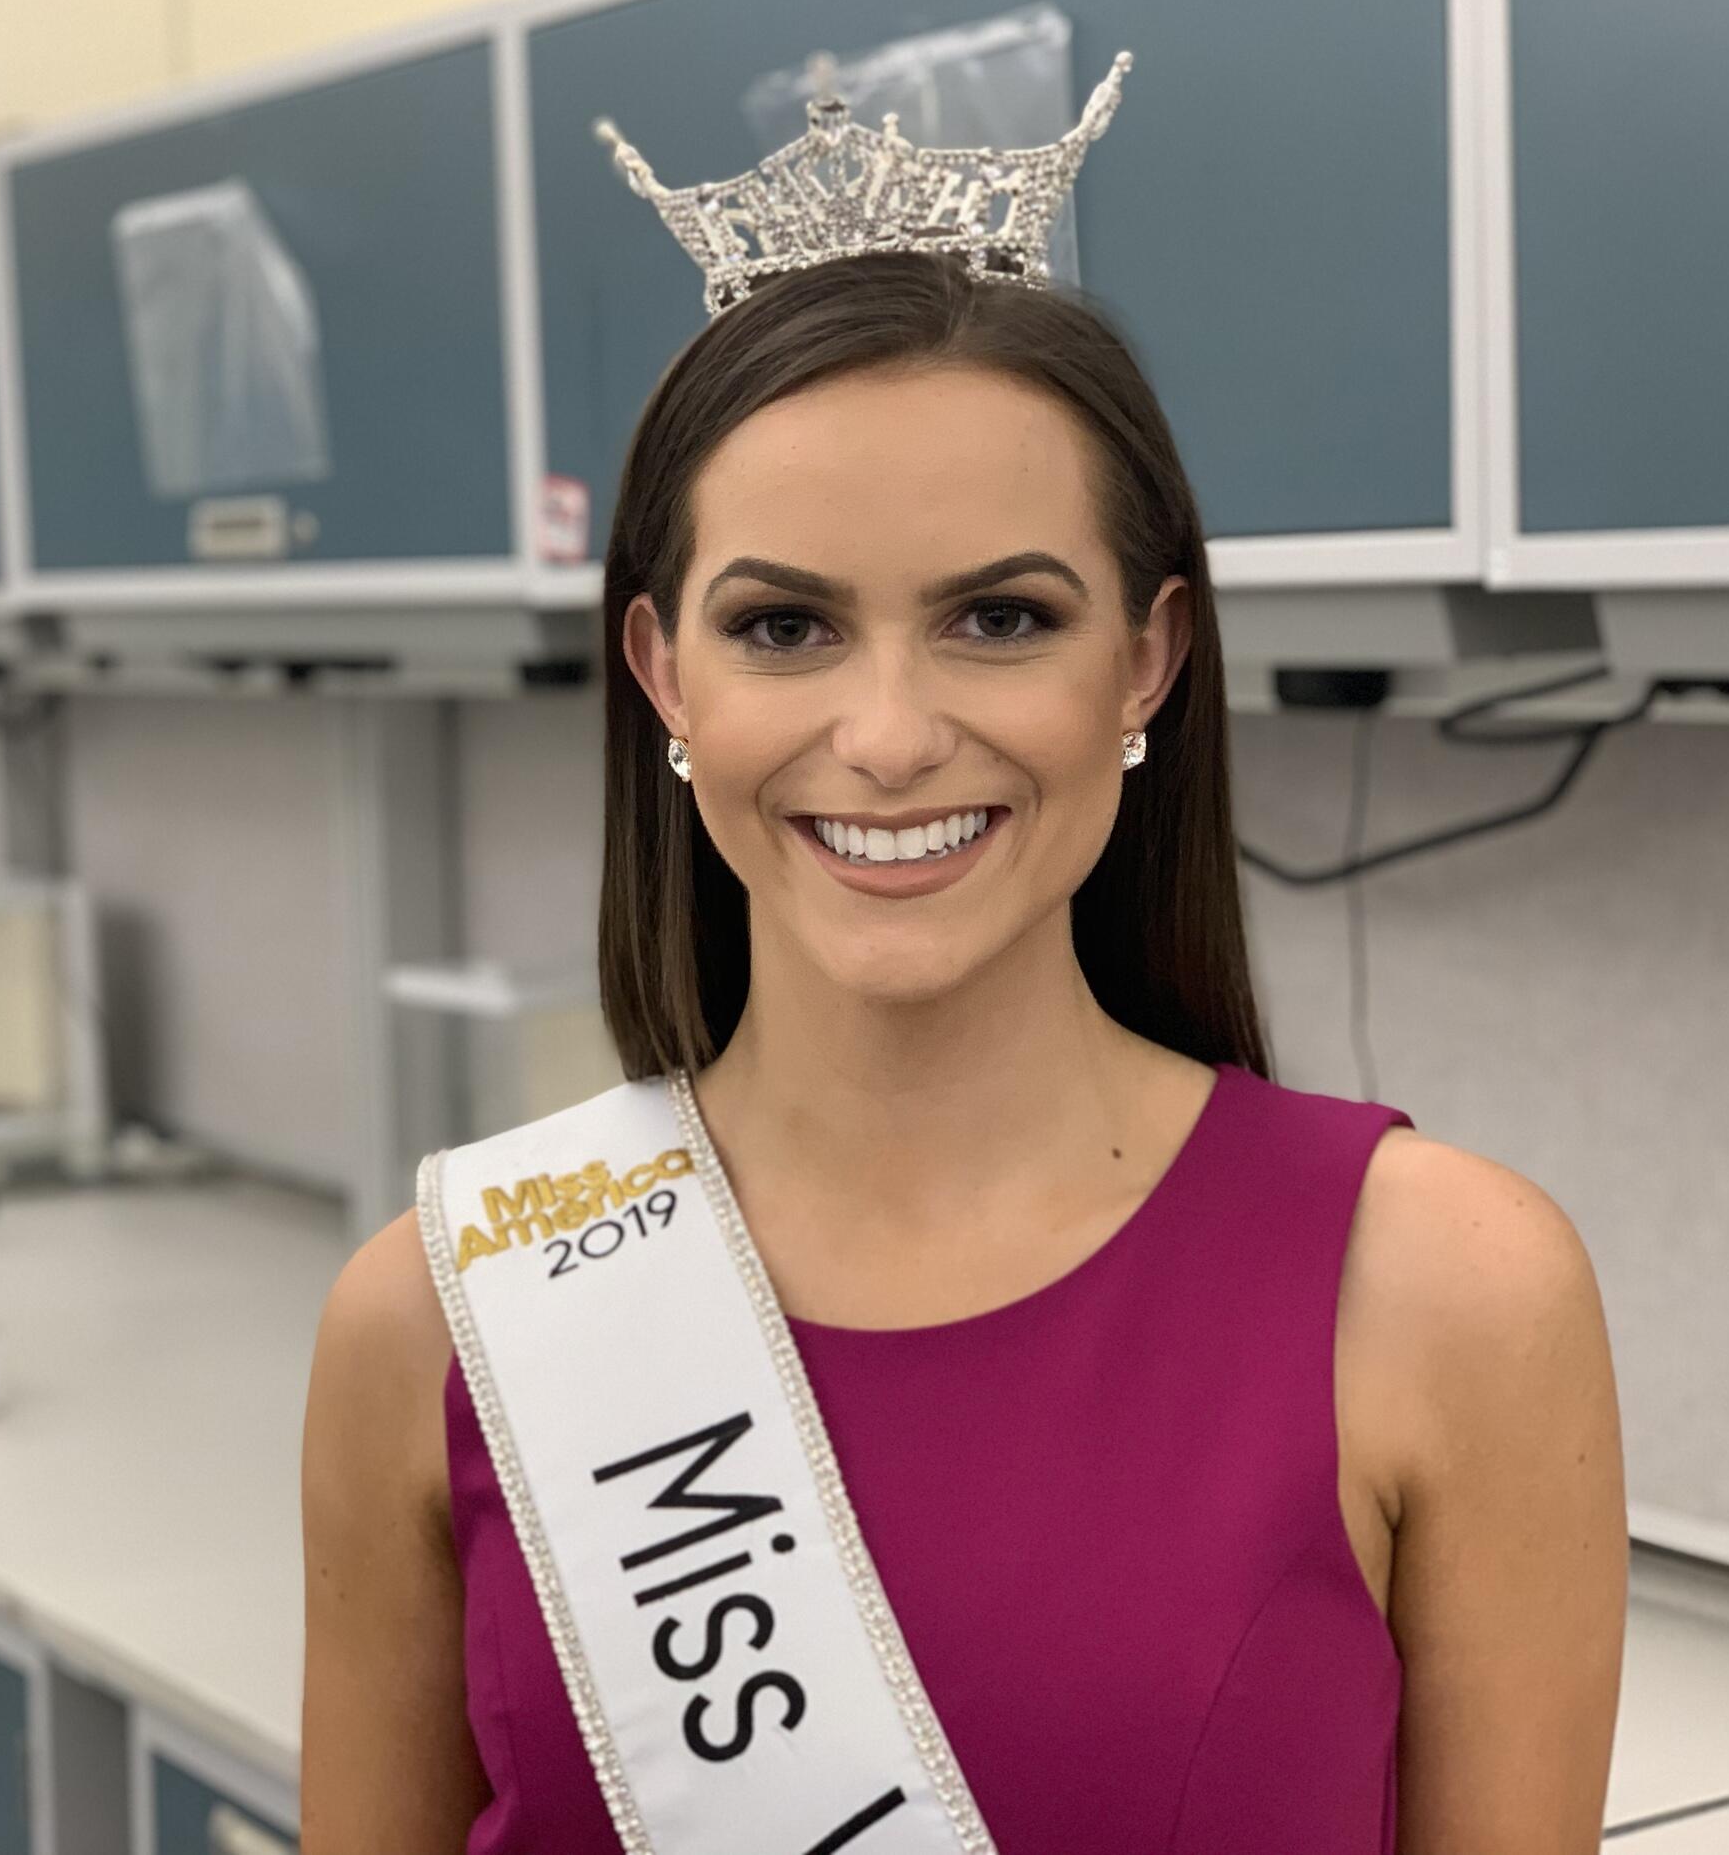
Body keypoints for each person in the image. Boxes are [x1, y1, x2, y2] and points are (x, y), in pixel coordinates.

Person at [300, 204, 1624, 1855]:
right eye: (784, 627)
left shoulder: (1450, 1293)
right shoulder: (438, 1316)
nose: (891, 736)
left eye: (1000, 619)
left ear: (1146, 658)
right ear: (662, 677)